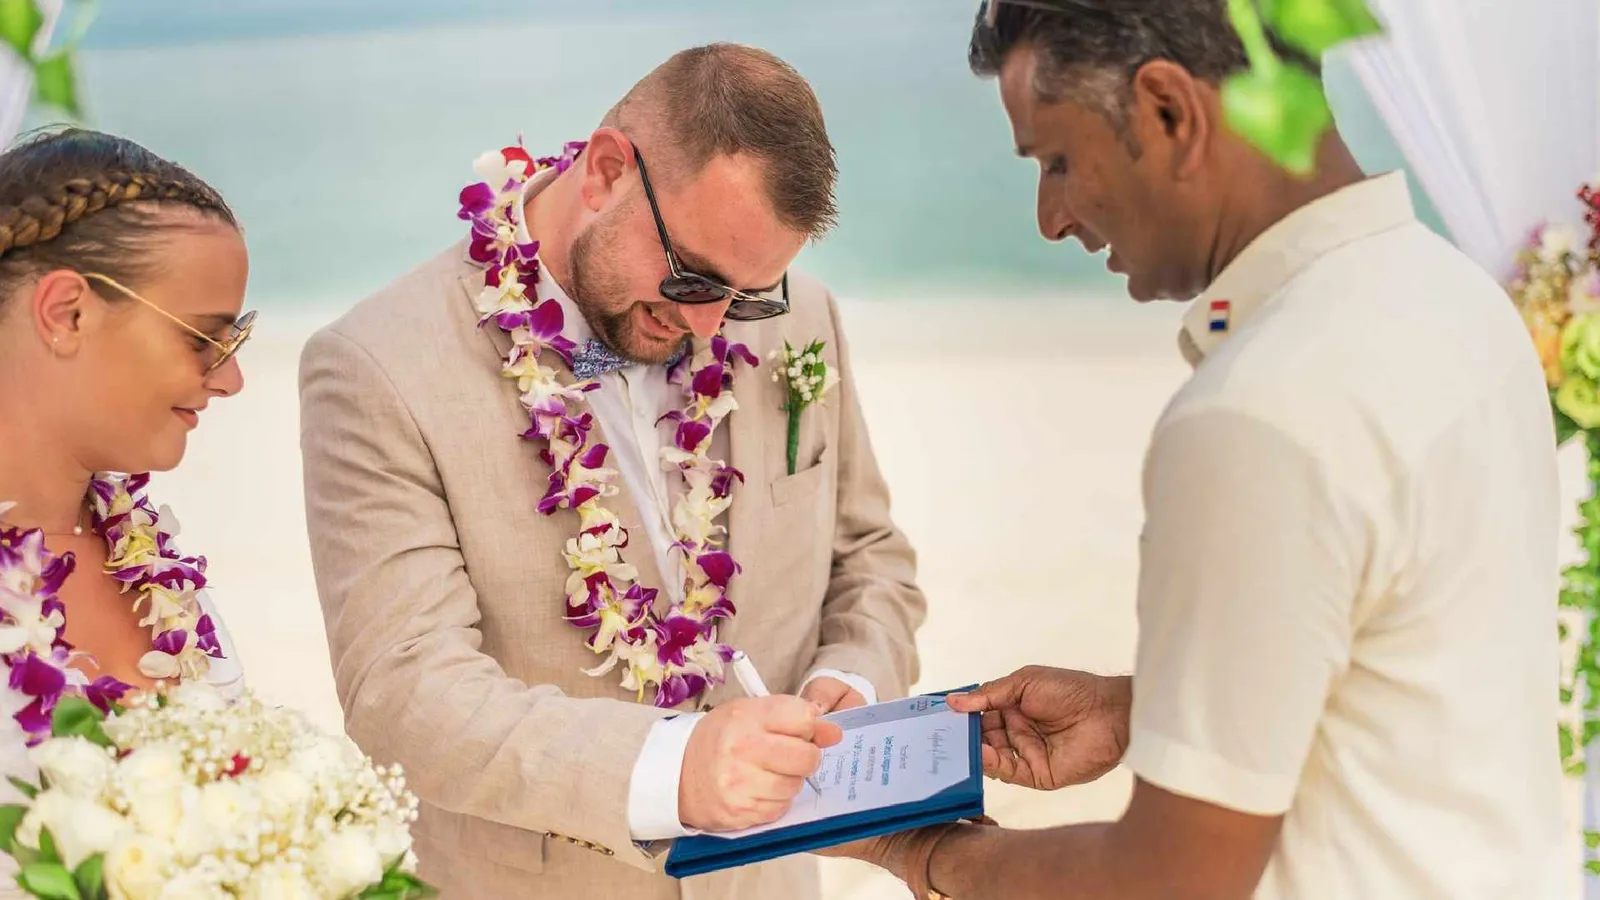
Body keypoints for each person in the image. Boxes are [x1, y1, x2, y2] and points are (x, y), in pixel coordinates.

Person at [824, 2, 1564, 898]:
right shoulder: (1458, 299)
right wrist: (1150, 709)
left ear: (1171, 111)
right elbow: (1421, 667)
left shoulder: (1257, 414)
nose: (1049, 218)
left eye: (1056, 161)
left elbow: (1169, 882)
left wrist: (925, 855)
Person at [298, 43, 927, 898]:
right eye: (693, 276)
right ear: (603, 171)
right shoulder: (377, 366)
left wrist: (852, 677)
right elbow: (406, 691)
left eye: (748, 296)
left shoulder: (801, 318)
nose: (711, 326)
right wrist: (675, 769)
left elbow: (871, 555)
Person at [0, 128, 253, 892]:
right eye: (204, 338)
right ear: (67, 313)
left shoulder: (156, 565)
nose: (232, 377)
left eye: (236, 339)